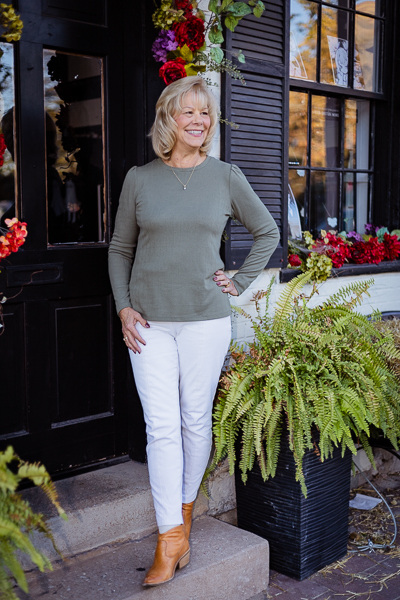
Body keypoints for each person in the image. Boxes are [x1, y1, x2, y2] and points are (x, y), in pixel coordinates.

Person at [108, 76, 279, 587]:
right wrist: (124, 308)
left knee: (194, 422)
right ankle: (169, 537)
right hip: (149, 323)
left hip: (206, 320)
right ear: (169, 118)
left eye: (206, 112)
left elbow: (267, 231)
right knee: (161, 427)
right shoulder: (140, 179)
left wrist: (239, 281)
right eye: (188, 112)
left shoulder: (225, 176)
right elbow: (120, 249)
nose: (199, 121)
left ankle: (181, 519)